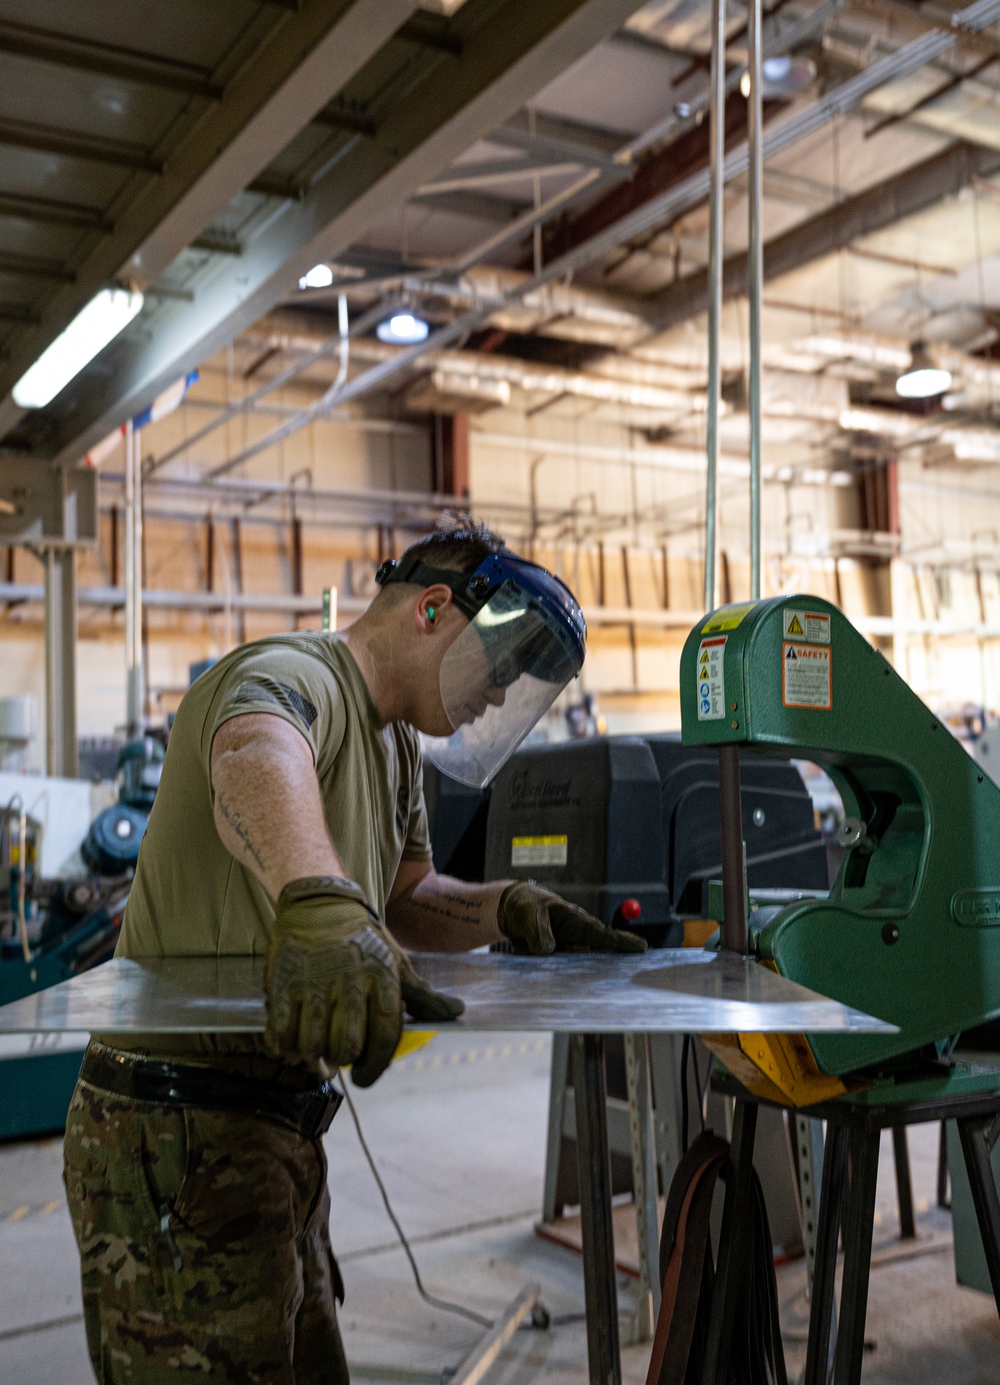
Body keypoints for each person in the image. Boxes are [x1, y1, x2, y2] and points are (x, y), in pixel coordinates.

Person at [64, 521, 645, 1384]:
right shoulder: (296, 674)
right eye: (497, 670)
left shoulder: (395, 741)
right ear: (433, 609)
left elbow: (408, 897)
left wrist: (506, 908)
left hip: (275, 1127)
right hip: (175, 1132)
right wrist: (320, 899)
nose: (497, 697)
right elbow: (256, 755)